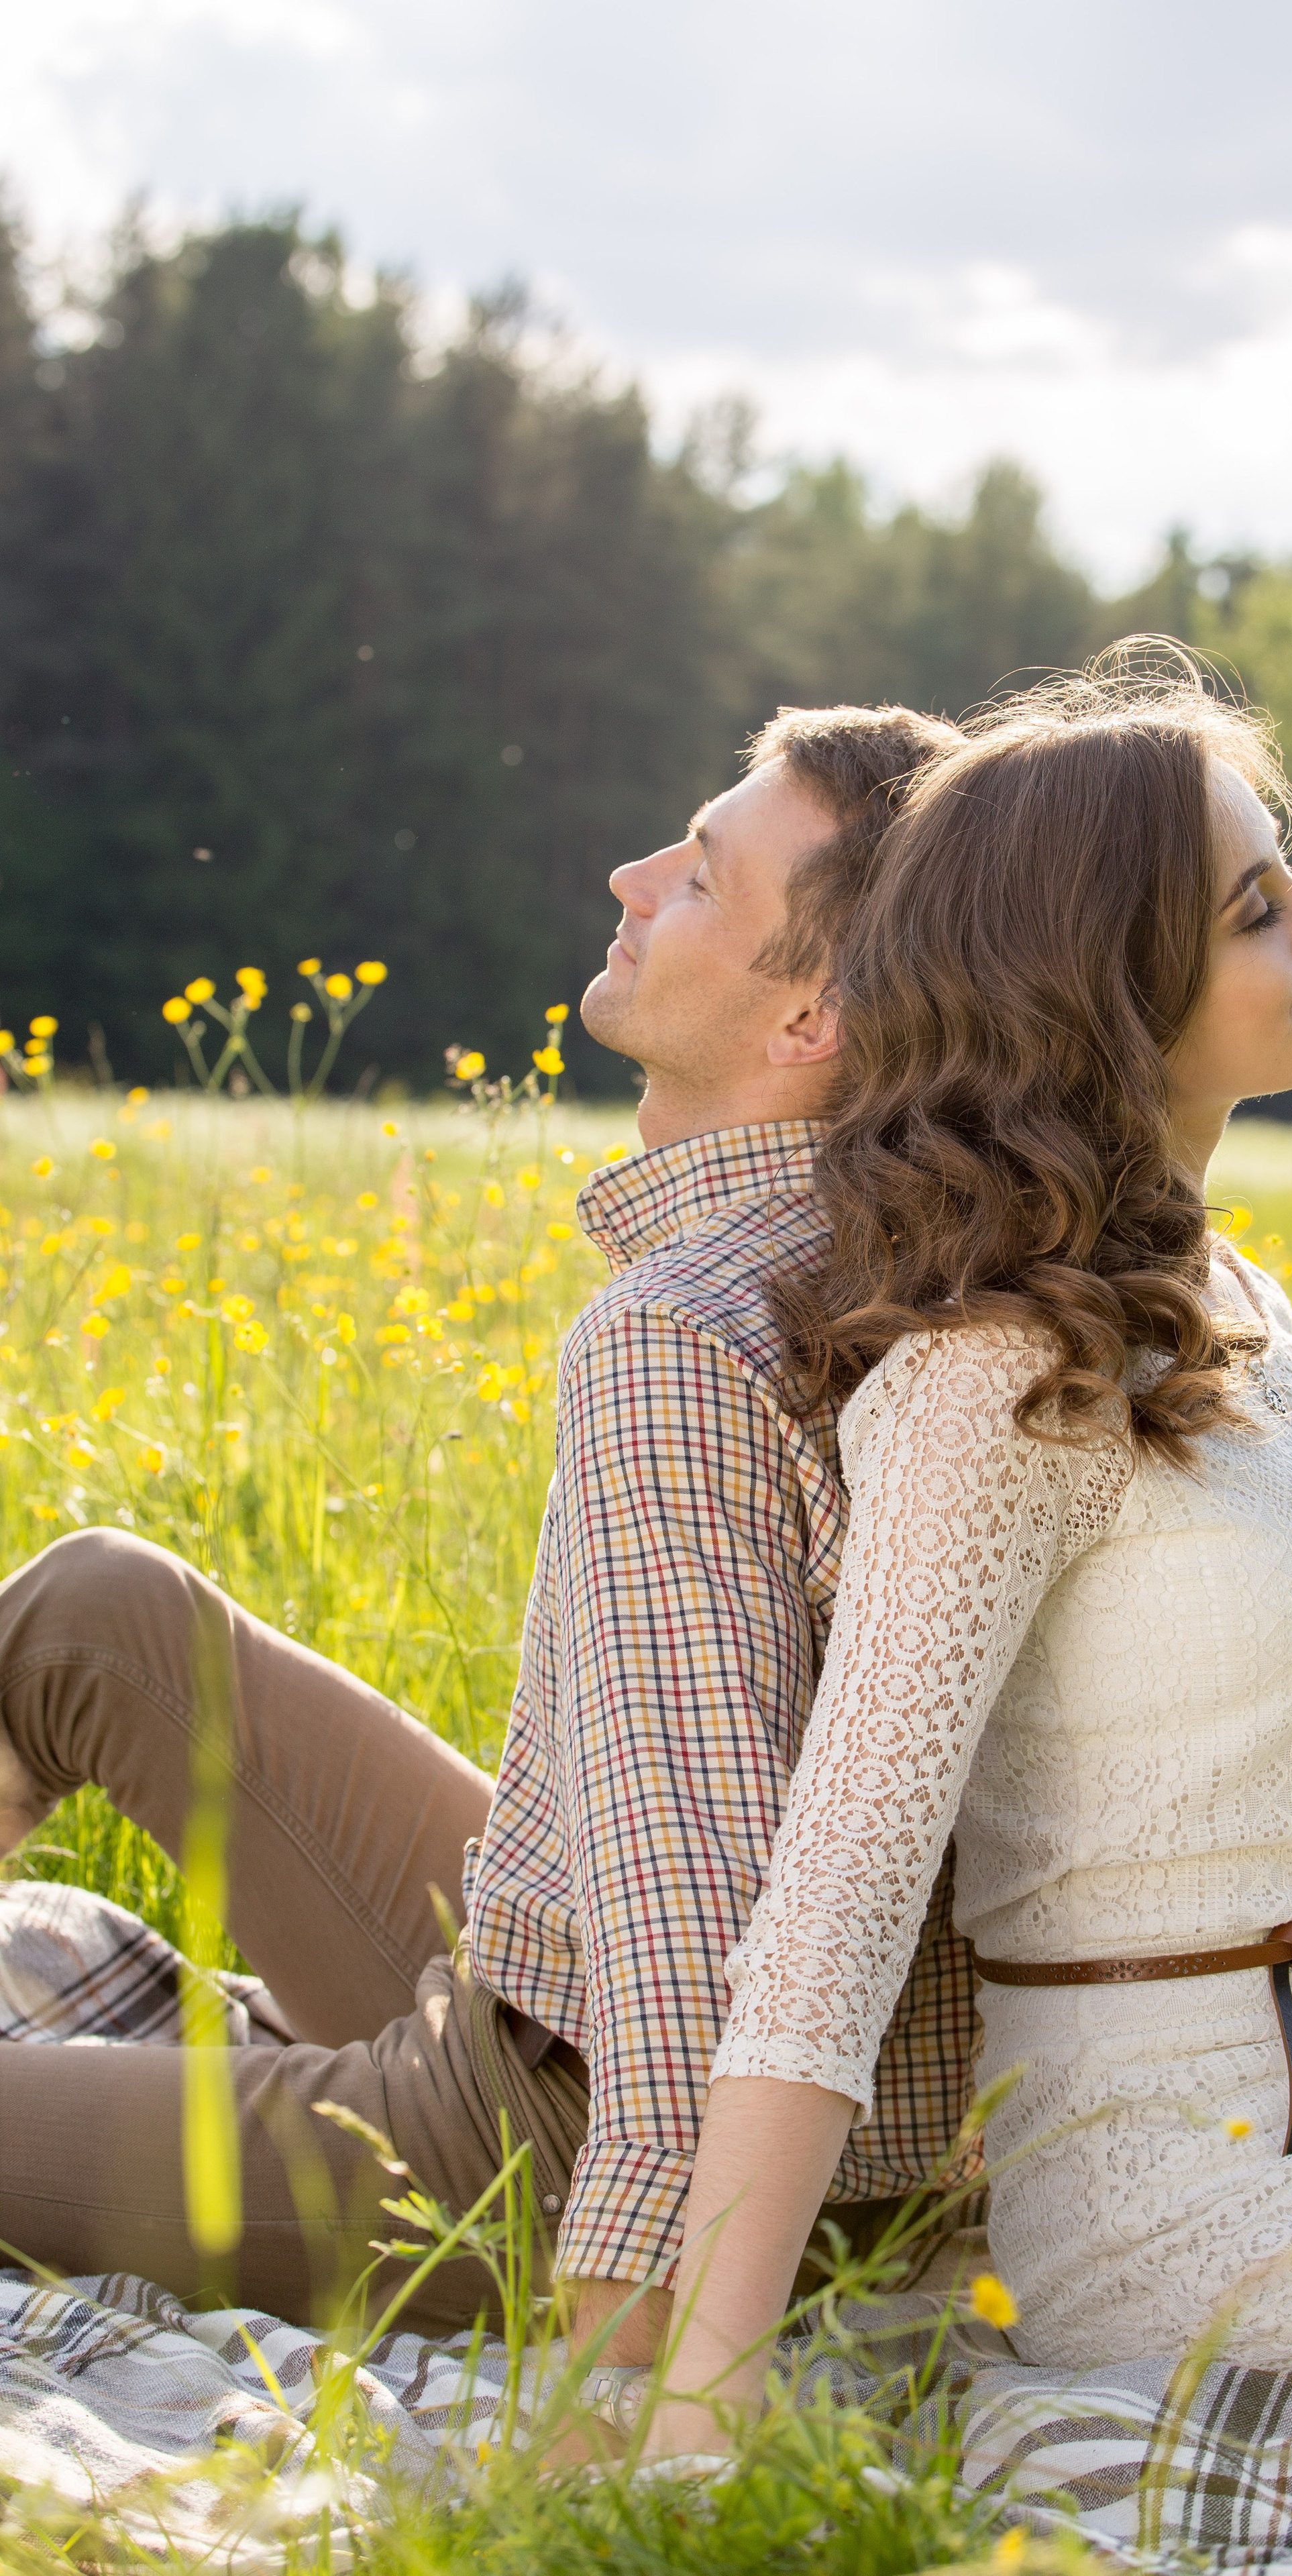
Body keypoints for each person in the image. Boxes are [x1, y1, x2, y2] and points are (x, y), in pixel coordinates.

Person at [645, 654, 1292, 2457]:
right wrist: (694, 2404)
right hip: (1213, 2198)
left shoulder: (1212, 1293)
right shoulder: (997, 1378)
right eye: (1254, 907)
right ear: (1106, 990)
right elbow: (828, 1919)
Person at [0, 700, 977, 2342]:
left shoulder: (694, 1334)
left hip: (567, 2142)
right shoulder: (919, 1249)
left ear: (809, 1012)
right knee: (99, 1611)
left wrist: (645, 2367)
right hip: (572, 1998)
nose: (630, 874)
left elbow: (698, 1943)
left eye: (698, 879)